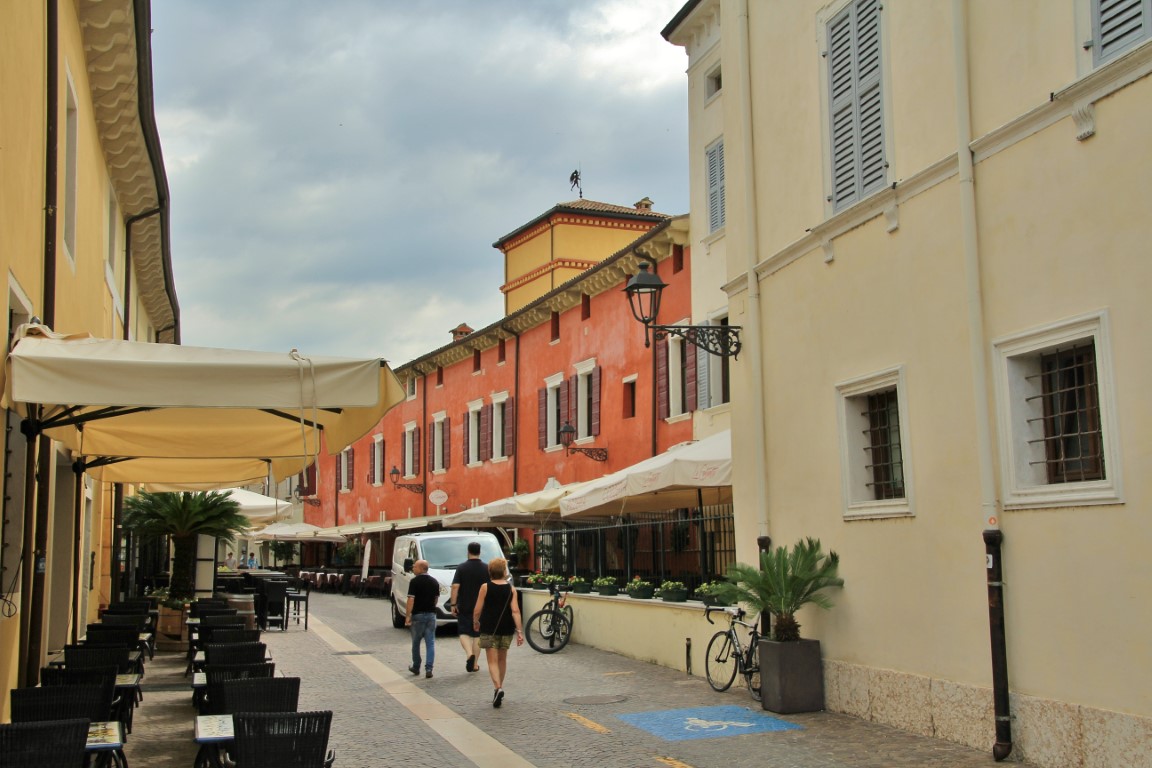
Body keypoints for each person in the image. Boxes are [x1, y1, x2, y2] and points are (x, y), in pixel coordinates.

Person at [472, 557, 522, 707]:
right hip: (506, 628)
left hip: (488, 627)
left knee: (491, 660)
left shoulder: (485, 587)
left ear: (490, 571)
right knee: (502, 659)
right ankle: (500, 687)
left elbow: (477, 609)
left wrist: (476, 622)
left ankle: (497, 687)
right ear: (504, 571)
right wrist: (519, 630)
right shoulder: (511, 589)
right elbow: (515, 610)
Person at [450, 541, 489, 673]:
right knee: (478, 634)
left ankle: (469, 654)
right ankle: (475, 664)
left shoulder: (461, 568)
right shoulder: (487, 568)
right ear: (480, 552)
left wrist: (453, 604)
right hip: (482, 606)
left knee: (464, 632)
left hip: (465, 605)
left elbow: (455, 586)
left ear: (468, 551)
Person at [405, 559, 439, 678]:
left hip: (418, 615)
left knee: (416, 642)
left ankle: (416, 666)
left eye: (414, 567)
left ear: (420, 568)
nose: (413, 568)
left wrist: (408, 615)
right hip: (431, 614)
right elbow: (435, 599)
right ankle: (429, 668)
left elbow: (411, 599)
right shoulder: (434, 582)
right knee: (430, 643)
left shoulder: (414, 582)